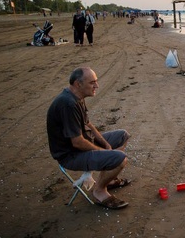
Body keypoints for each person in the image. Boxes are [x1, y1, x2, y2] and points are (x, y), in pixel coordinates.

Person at [47, 67, 131, 209]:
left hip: (82, 144)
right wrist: (103, 152)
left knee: (122, 135)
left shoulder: (77, 96)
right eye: (92, 83)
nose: (96, 86)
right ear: (78, 84)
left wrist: (105, 144)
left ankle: (107, 181)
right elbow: (78, 142)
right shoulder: (68, 104)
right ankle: (99, 191)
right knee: (120, 158)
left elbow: (88, 124)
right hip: (70, 154)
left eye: (96, 82)